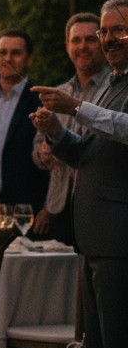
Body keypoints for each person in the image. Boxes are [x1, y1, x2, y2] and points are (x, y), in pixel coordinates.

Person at [31, 0, 128, 348]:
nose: (109, 39)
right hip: (90, 234)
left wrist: (77, 108)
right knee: (99, 346)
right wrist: (55, 132)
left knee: (121, 345)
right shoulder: (110, 84)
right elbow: (87, 155)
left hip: (119, 233)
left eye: (117, 30)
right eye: (105, 31)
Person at [32, 13, 109, 246]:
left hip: (100, 207)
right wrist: (45, 151)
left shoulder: (115, 90)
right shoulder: (57, 93)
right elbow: (36, 153)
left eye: (90, 39)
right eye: (76, 40)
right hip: (59, 209)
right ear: (67, 47)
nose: (82, 46)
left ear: (103, 43)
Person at [0, 29, 49, 231]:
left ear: (29, 59)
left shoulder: (42, 101)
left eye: (16, 53)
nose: (8, 58)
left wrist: (49, 208)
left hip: (25, 211)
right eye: (2, 52)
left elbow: (54, 160)